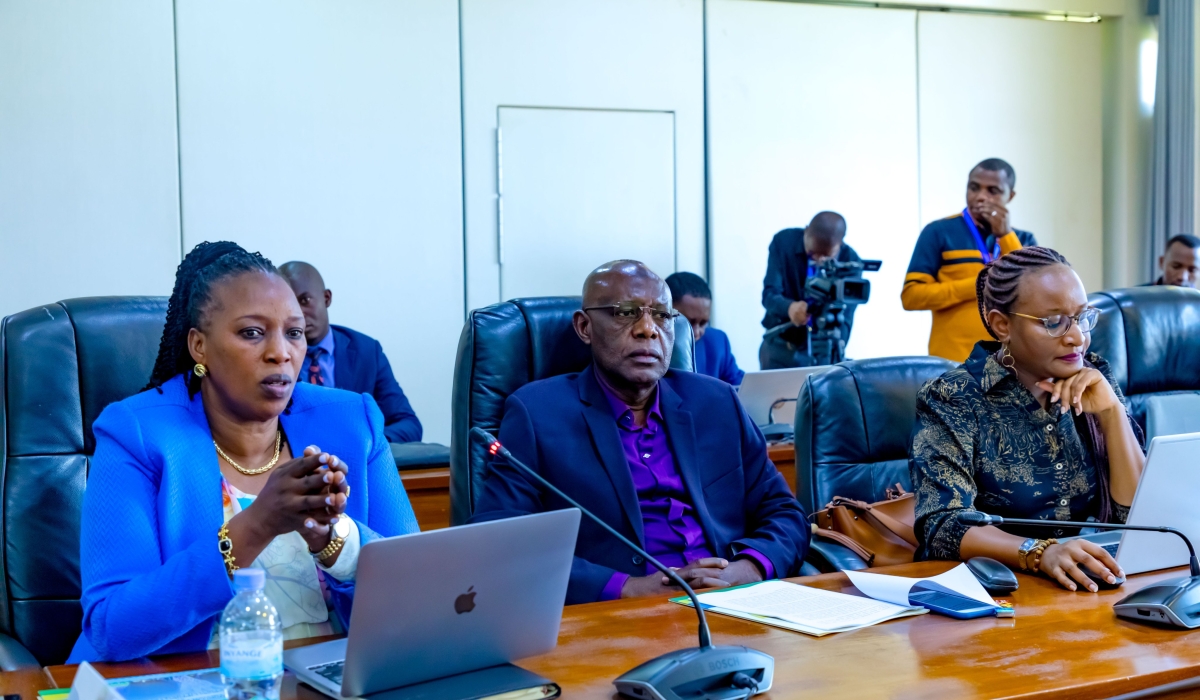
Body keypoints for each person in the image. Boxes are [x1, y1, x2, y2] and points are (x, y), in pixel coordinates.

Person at [69, 242, 418, 662]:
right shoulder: (138, 434)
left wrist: (333, 539)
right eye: (252, 333)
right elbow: (112, 627)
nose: (280, 352)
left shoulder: (351, 421)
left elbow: (417, 587)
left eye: (294, 332)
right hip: (192, 683)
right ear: (199, 347)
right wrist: (256, 525)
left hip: (334, 676)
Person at [471, 260, 808, 604]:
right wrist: (626, 587)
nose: (647, 329)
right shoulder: (538, 414)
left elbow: (784, 512)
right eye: (625, 312)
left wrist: (749, 568)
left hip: (736, 604)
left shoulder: (717, 403)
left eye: (662, 315)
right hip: (618, 619)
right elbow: (499, 541)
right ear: (585, 327)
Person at [911, 246, 1145, 593]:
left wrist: (1111, 414)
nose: (1077, 337)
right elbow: (942, 524)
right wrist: (1039, 552)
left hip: (1090, 585)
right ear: (1002, 325)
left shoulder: (1095, 376)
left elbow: (1140, 519)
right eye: (1053, 322)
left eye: (1082, 318)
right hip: (999, 595)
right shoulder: (955, 397)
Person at [902, 158, 1038, 363]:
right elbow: (911, 297)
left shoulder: (1023, 240)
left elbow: (1034, 294)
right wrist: (979, 284)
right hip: (952, 363)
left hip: (1012, 363)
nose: (981, 197)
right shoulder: (938, 232)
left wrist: (1006, 236)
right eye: (974, 188)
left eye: (993, 191)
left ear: (1010, 195)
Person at [279, 261, 422, 443]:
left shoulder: (367, 352)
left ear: (326, 298)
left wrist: (363, 445)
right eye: (289, 304)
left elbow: (408, 424)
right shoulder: (275, 355)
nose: (298, 313)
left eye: (305, 301)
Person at [759, 211, 860, 369]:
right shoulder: (784, 243)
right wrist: (789, 307)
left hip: (825, 353)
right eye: (812, 254)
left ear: (841, 244)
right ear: (806, 231)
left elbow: (846, 317)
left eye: (826, 257)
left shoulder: (851, 262)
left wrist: (838, 347)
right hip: (781, 347)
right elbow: (769, 294)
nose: (818, 260)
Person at [664, 272, 744, 385]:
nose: (696, 332)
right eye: (688, 323)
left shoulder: (718, 342)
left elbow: (739, 388)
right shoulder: (649, 346)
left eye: (703, 323)